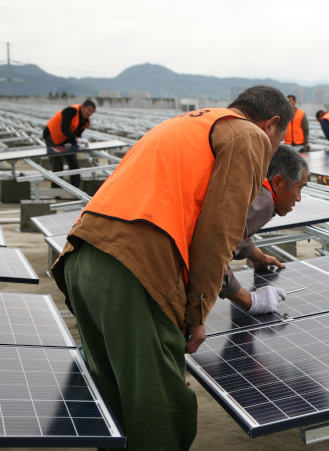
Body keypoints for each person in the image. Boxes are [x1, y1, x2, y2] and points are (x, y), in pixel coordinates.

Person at [50, 85, 293, 451]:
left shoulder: (190, 123)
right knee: (159, 410)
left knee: (115, 401)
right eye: (280, 138)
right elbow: (218, 231)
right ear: (272, 124)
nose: (274, 149)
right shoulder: (249, 135)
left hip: (82, 255)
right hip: (134, 269)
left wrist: (252, 256)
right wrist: (198, 311)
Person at [220, 145, 309, 308]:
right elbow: (211, 256)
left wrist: (257, 256)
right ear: (277, 182)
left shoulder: (253, 186)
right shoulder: (264, 202)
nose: (299, 198)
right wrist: (248, 300)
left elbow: (235, 231)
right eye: (299, 188)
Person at [43, 99, 96, 188]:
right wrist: (76, 139)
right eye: (89, 110)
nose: (90, 113)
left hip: (65, 139)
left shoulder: (86, 121)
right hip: (52, 134)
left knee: (73, 162)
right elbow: (64, 127)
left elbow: (77, 133)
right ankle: (56, 189)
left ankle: (76, 187)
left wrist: (76, 144)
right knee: (58, 162)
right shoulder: (71, 111)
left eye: (92, 112)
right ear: (83, 107)